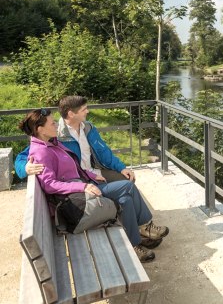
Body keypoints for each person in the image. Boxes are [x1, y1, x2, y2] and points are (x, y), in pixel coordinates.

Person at [18, 108, 169, 263]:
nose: (56, 125)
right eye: (52, 123)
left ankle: (134, 244)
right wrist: (83, 186)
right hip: (76, 203)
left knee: (126, 200)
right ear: (40, 129)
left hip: (82, 189)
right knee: (127, 187)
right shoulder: (41, 151)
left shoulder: (53, 142)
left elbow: (76, 167)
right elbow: (50, 185)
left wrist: (91, 175)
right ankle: (145, 227)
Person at [15, 96, 135, 182]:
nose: (88, 111)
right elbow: (24, 156)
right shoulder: (55, 134)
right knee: (122, 188)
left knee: (128, 178)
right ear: (71, 114)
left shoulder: (88, 128)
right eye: (84, 109)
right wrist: (25, 168)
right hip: (78, 178)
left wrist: (121, 168)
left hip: (94, 172)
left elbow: (104, 152)